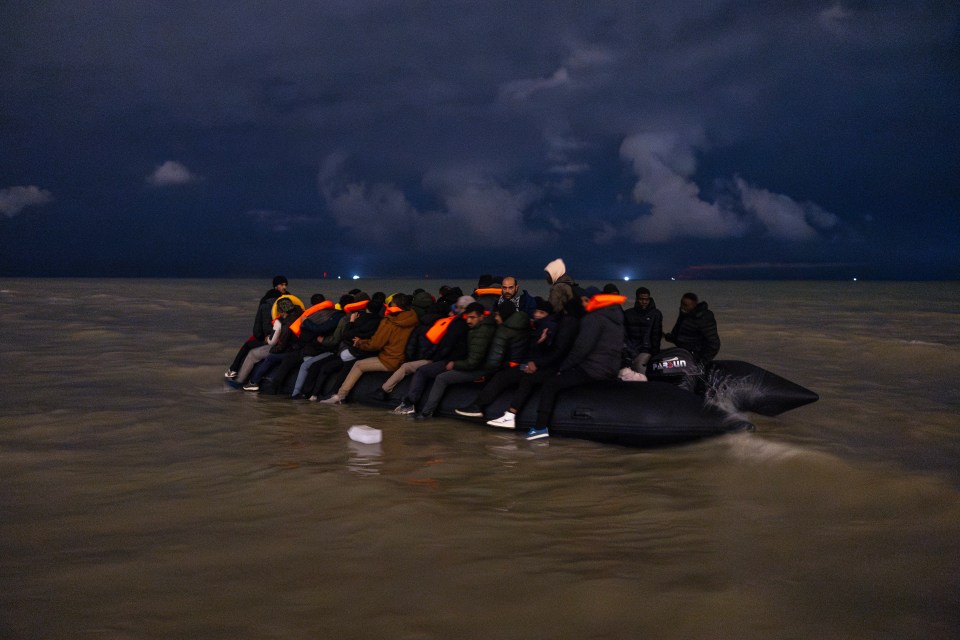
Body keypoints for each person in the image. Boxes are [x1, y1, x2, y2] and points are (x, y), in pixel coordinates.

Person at [456, 295, 582, 428]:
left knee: (513, 377)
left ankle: (492, 410)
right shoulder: (541, 325)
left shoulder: (554, 325)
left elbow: (555, 351)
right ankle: (506, 414)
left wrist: (536, 362)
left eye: (541, 312)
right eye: (536, 312)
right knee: (516, 377)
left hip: (540, 366)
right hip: (536, 364)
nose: (537, 315)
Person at [524, 286, 626, 440]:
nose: (583, 304)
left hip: (593, 369)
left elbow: (581, 349)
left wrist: (563, 368)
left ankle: (540, 428)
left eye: (586, 300)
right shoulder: (615, 319)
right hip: (610, 368)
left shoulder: (593, 318)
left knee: (551, 384)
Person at [392, 302, 494, 417]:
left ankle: (425, 412)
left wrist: (454, 364)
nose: (469, 321)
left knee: (441, 378)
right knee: (424, 371)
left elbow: (473, 362)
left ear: (481, 317)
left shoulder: (480, 333)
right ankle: (415, 406)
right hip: (463, 363)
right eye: (468, 317)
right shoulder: (476, 329)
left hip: (474, 369)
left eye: (472, 317)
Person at [370, 294, 475, 401]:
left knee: (410, 368)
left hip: (437, 360)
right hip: (443, 359)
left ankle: (392, 394)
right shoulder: (453, 324)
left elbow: (431, 346)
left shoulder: (440, 324)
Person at [319, 294, 419, 404]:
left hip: (389, 360)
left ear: (394, 305)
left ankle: (340, 396)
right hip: (402, 359)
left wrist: (360, 343)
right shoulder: (413, 319)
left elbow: (376, 344)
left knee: (358, 365)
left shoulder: (389, 322)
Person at [228, 296, 300, 390]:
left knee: (252, 354)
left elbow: (273, 342)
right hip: (297, 347)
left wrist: (269, 341)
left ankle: (240, 381)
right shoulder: (300, 314)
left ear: (282, 311)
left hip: (286, 348)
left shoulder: (282, 323)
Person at [225, 275, 290, 378]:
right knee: (248, 344)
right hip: (282, 334)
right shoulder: (289, 299)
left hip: (272, 335)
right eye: (282, 284)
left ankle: (233, 369)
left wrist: (265, 337)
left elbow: (262, 323)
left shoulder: (266, 301)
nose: (284, 287)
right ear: (275, 286)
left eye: (285, 285)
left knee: (247, 345)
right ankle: (233, 369)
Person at [664, 292, 721, 364]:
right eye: (681, 303)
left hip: (695, 356)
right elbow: (681, 335)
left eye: (685, 305)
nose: (682, 306)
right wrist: (666, 336)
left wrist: (702, 361)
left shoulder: (704, 317)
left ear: (694, 305)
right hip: (684, 353)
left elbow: (714, 343)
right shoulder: (685, 314)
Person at [622, 286, 663, 371]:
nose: (644, 302)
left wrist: (655, 354)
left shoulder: (655, 314)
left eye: (646, 299)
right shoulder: (628, 314)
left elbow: (656, 336)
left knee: (641, 371)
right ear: (637, 299)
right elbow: (625, 335)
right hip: (630, 351)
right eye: (641, 299)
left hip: (646, 350)